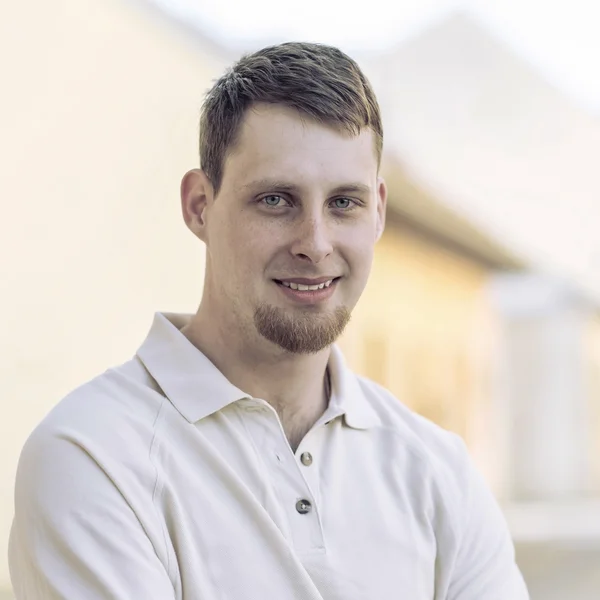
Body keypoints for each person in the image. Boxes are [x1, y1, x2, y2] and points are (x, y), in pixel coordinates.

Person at [8, 42, 529, 599]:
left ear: (378, 210)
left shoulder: (437, 470)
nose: (315, 244)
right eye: (277, 200)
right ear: (199, 205)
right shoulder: (92, 455)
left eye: (344, 202)